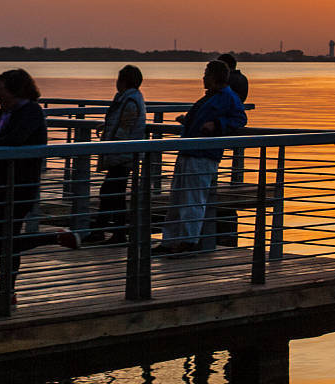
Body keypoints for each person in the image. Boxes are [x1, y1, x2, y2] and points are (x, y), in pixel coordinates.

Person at [0, 67, 78, 313]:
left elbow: (15, 140)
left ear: (15, 89)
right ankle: (6, 293)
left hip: (18, 186)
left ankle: (56, 237)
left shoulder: (30, 112)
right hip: (0, 184)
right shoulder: (6, 112)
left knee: (8, 240)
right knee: (5, 242)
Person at [161, 60, 246, 258]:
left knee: (192, 198)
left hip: (202, 155)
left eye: (206, 73)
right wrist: (187, 121)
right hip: (187, 151)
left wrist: (217, 124)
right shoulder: (210, 97)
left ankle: (188, 241)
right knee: (176, 198)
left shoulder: (228, 97)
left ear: (215, 76)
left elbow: (240, 118)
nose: (203, 77)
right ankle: (170, 241)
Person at [91, 64, 148, 245]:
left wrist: (112, 143)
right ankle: (107, 232)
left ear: (123, 81)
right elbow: (120, 123)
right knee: (113, 193)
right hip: (121, 154)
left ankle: (114, 233)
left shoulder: (130, 101)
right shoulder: (127, 99)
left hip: (122, 155)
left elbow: (125, 128)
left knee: (111, 193)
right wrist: (106, 127)